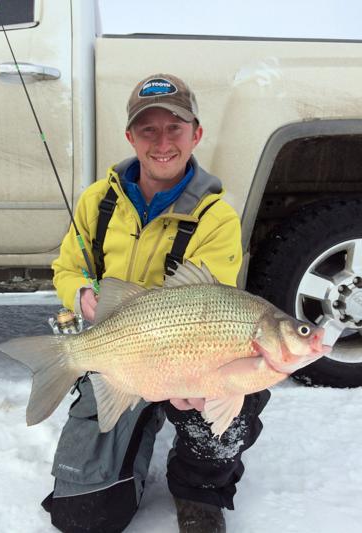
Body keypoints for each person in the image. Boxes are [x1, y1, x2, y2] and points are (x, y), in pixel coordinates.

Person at [42, 73, 270, 533]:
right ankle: (130, 444)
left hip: (181, 347)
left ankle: (199, 489)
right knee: (83, 518)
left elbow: (211, 307)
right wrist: (83, 295)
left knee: (238, 391)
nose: (162, 142)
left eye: (175, 128)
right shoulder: (96, 201)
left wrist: (192, 379)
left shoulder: (217, 218)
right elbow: (66, 267)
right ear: (131, 136)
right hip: (119, 353)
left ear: (196, 135)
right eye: (148, 129)